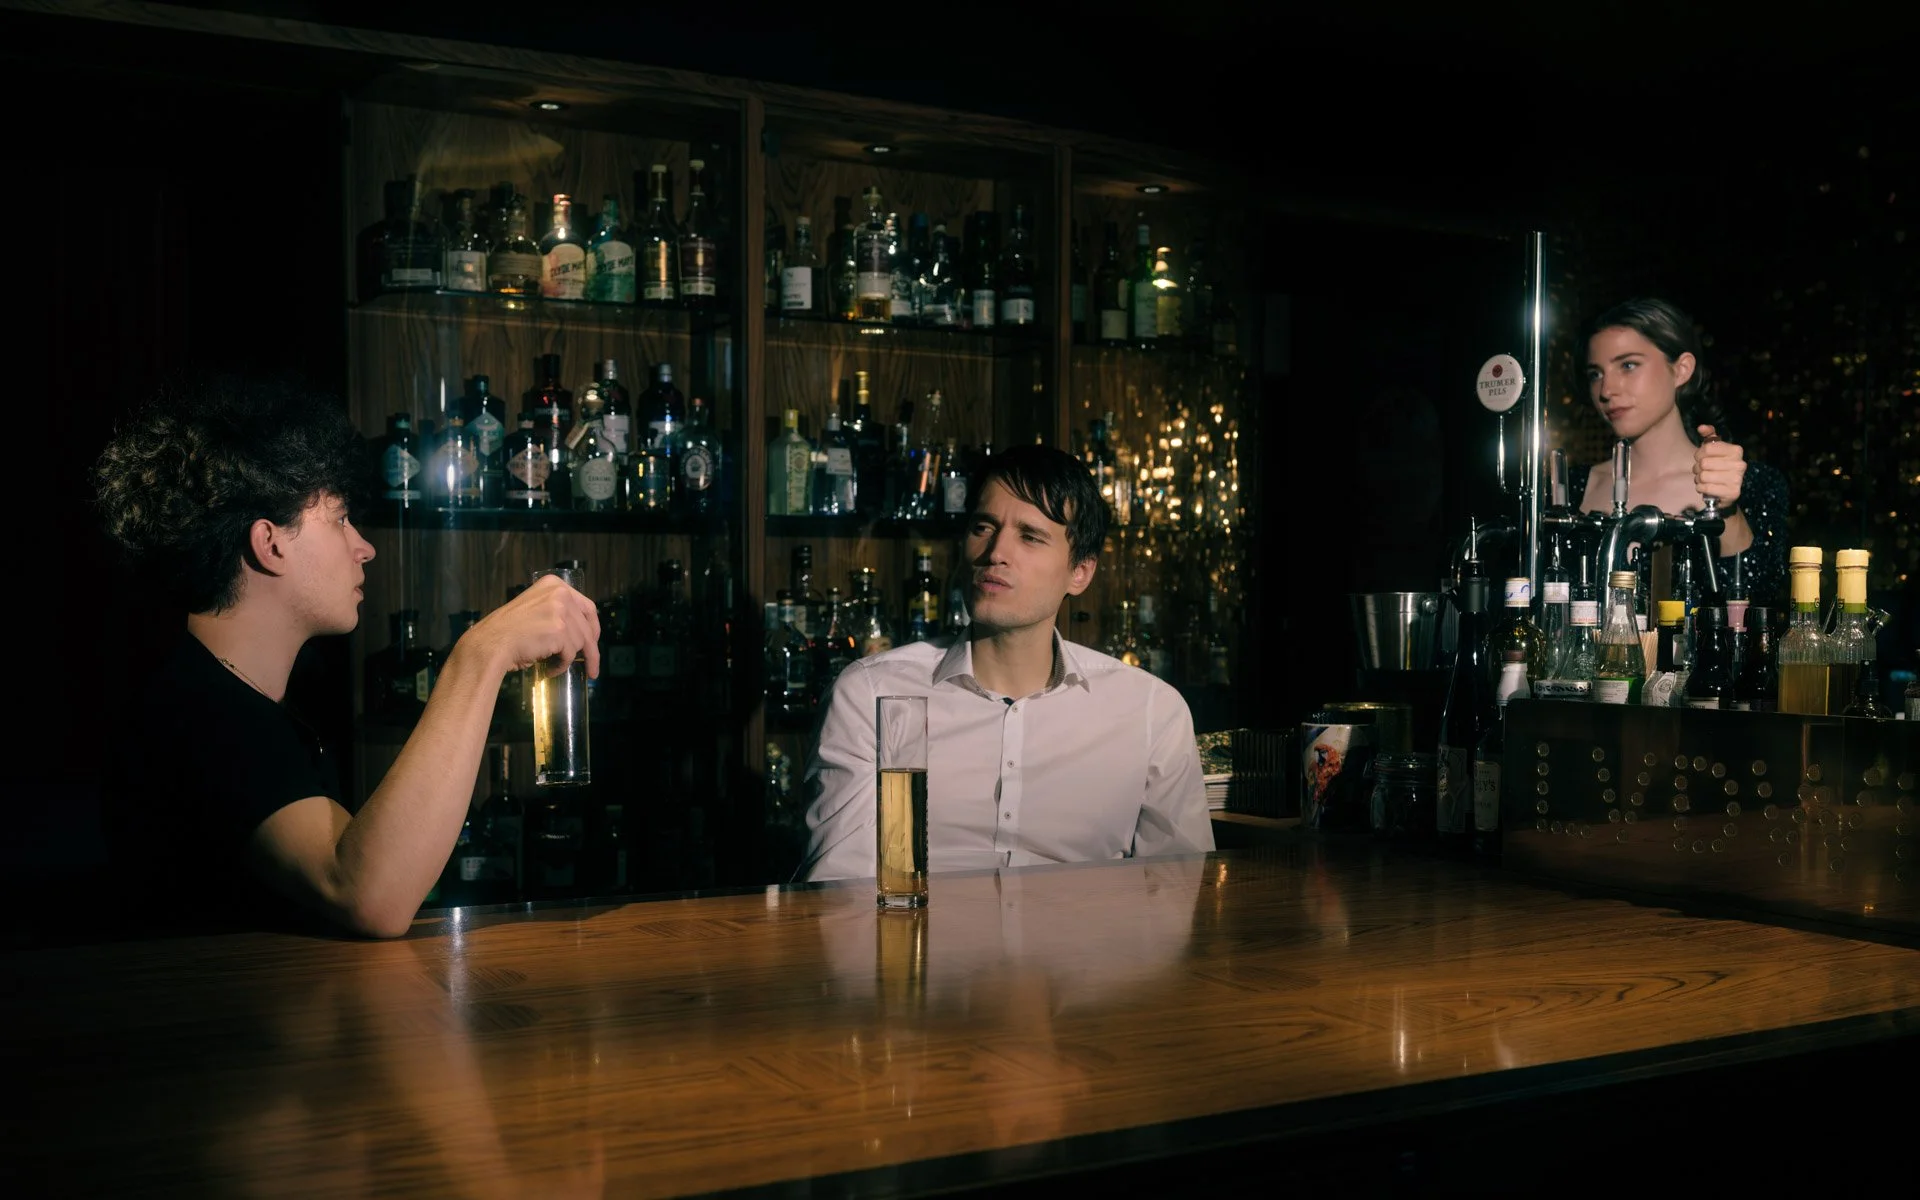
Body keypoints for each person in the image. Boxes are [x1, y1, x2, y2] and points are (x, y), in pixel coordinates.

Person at [93, 371, 600, 938]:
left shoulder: (243, 706)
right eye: (338, 519)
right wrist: (481, 653)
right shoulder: (201, 713)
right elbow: (367, 893)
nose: (365, 547)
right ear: (271, 543)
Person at [795, 444, 1214, 883]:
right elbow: (838, 891)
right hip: (920, 948)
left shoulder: (1150, 711)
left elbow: (1176, 897)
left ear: (1081, 573)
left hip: (1086, 948)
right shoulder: (870, 693)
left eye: (1030, 536)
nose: (995, 552)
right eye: (983, 526)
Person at [1575, 297, 1789, 607]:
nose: (1606, 390)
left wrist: (1724, 509)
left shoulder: (1754, 484)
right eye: (1595, 373)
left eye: (1628, 365)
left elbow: (1757, 605)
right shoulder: (1573, 488)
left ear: (1682, 369)